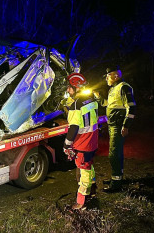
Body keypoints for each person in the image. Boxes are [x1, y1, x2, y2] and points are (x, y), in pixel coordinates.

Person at [93, 66, 136, 193]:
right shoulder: (113, 89)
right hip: (113, 125)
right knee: (116, 153)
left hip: (118, 126)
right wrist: (99, 97)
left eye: (108, 76)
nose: (106, 78)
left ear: (116, 76)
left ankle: (116, 184)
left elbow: (132, 108)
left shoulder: (124, 87)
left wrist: (126, 125)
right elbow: (108, 104)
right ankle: (117, 179)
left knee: (114, 154)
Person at [63, 72, 99, 210]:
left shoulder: (76, 106)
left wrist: (67, 144)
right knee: (89, 165)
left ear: (76, 88)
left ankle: (81, 202)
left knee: (84, 170)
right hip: (93, 141)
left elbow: (73, 128)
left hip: (83, 143)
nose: (68, 90)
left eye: (69, 87)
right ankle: (93, 188)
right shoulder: (92, 100)